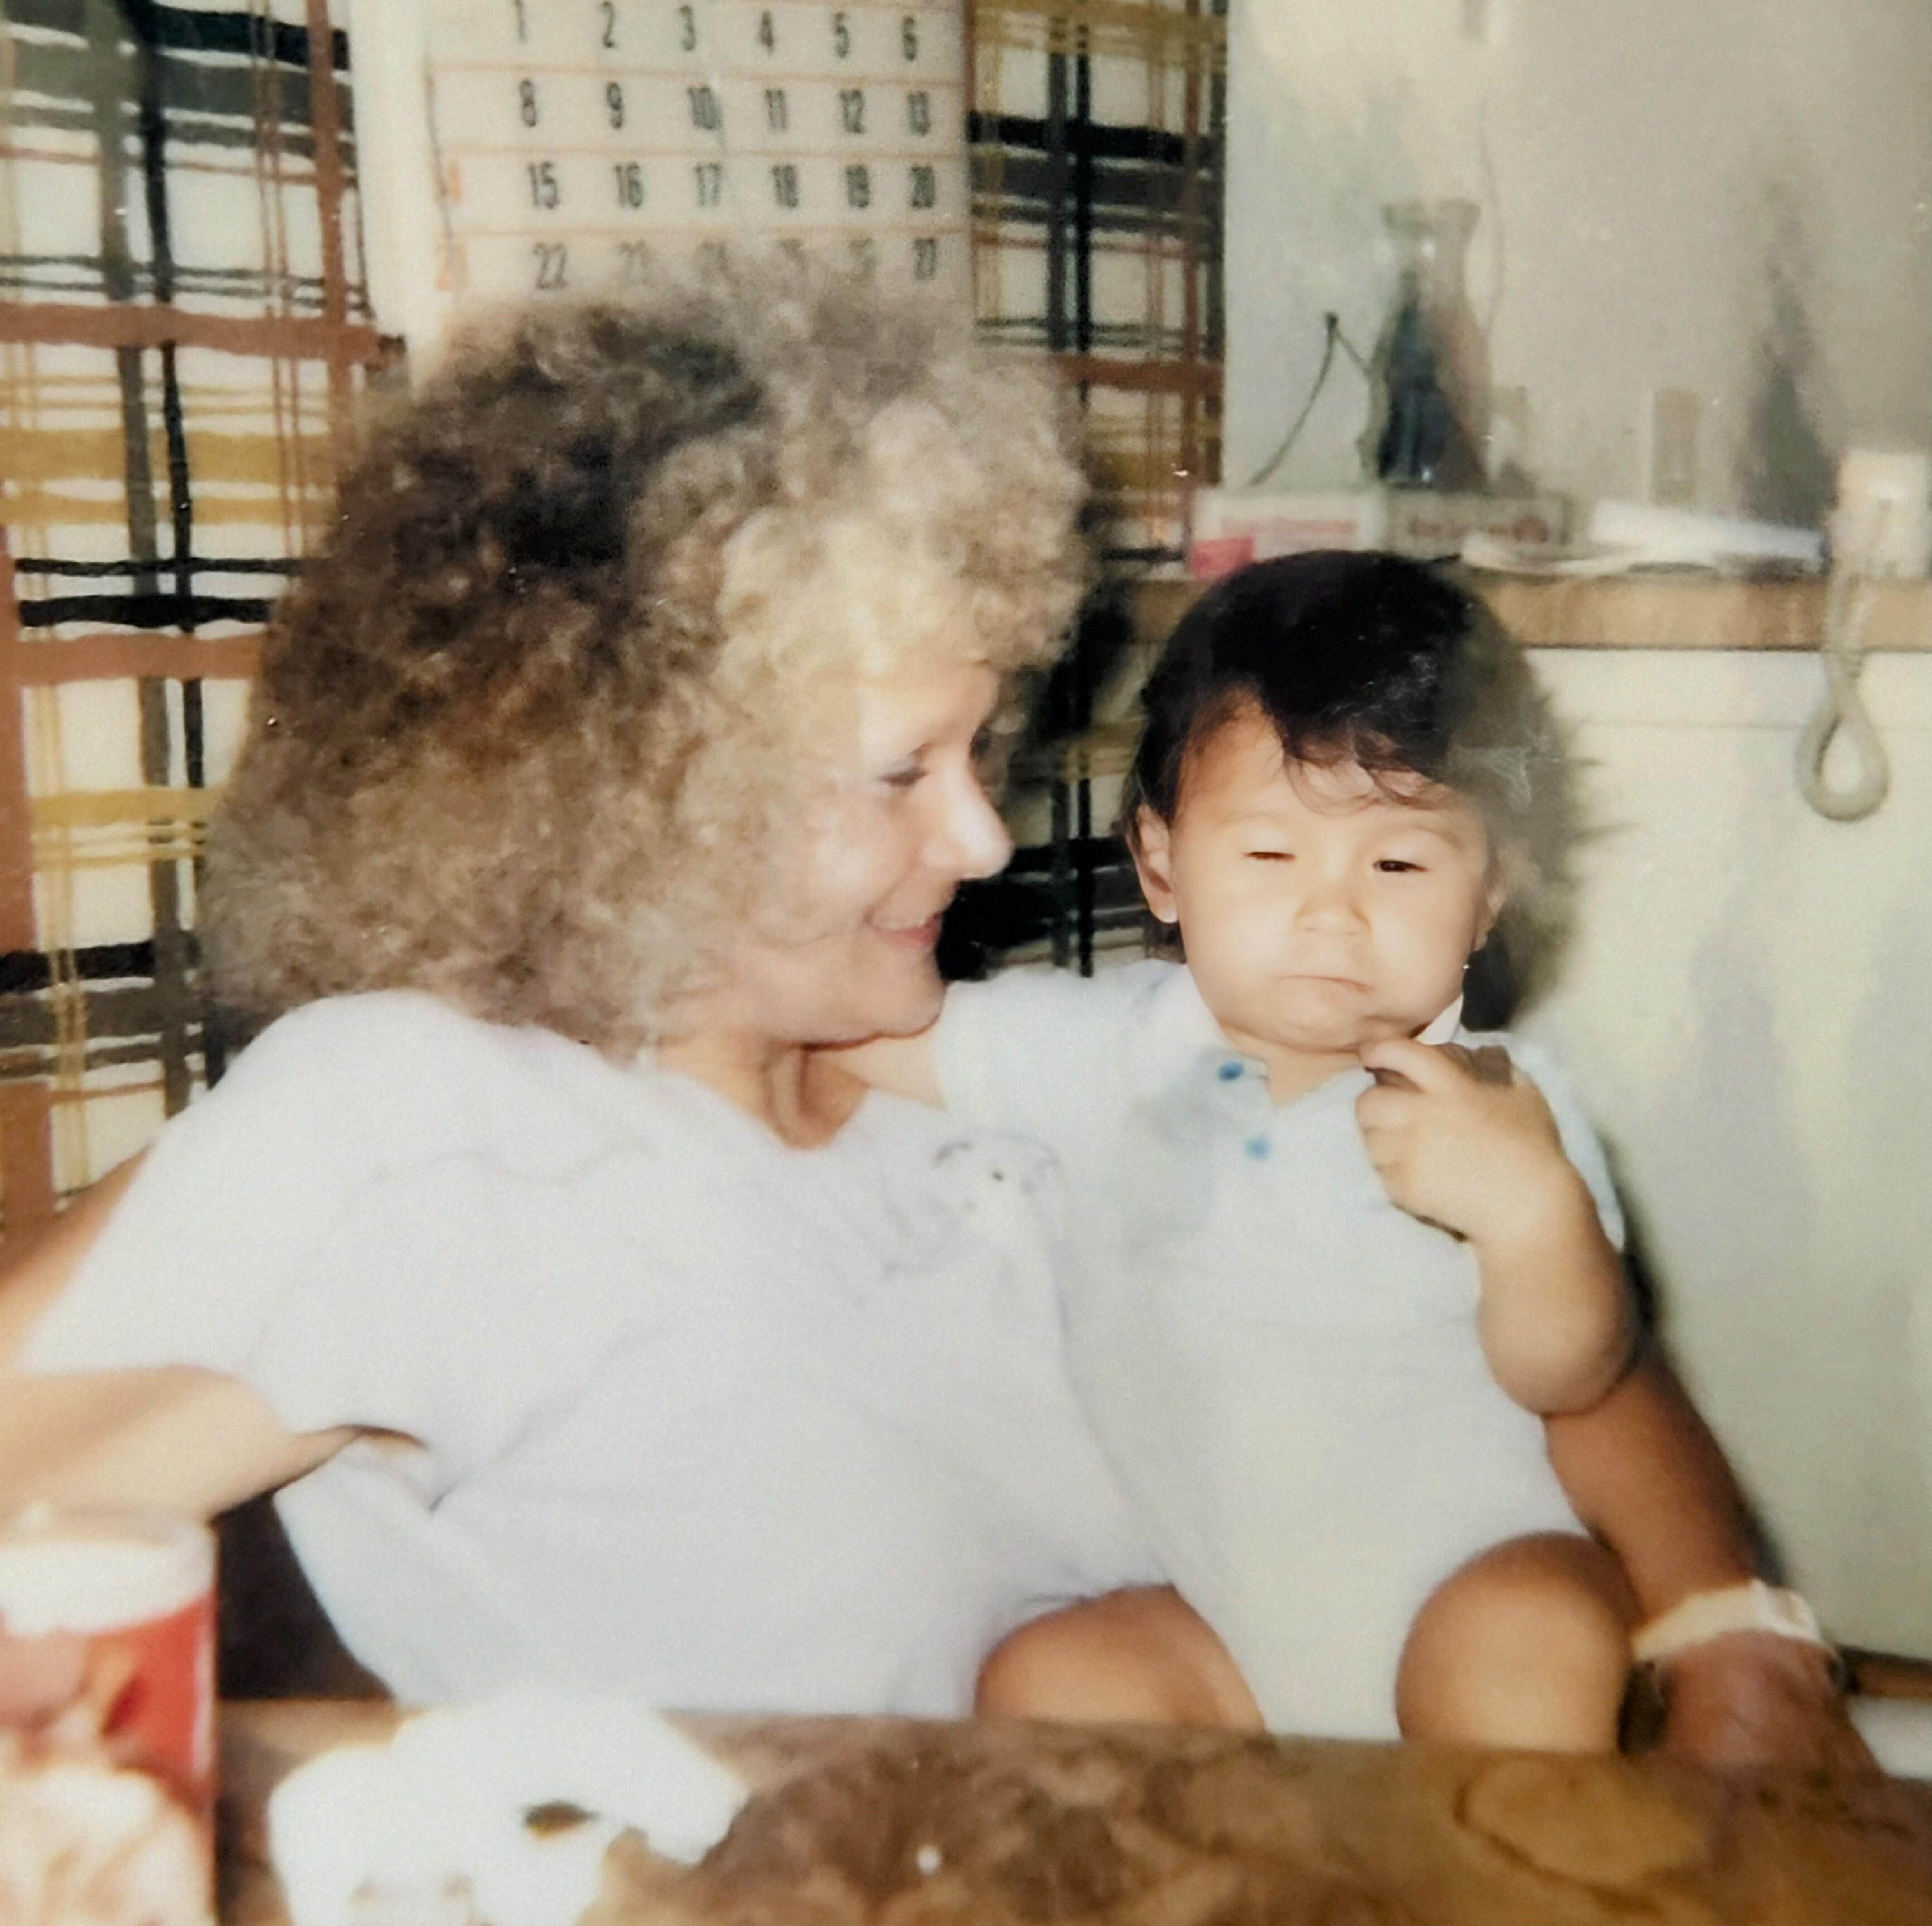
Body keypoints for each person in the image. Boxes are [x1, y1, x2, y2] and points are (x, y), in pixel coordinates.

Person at [0, 274, 1250, 1722]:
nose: (985, 838)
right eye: (902, 769)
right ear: (637, 790)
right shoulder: (430, 1132)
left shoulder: (988, 1102)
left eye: (983, 748)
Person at [846, 551, 1864, 1761]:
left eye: (1397, 864)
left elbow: (1573, 1372)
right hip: (1226, 1629)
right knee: (1051, 1680)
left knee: (1524, 1648)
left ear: (1489, 895)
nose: (1332, 914)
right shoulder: (1089, 1050)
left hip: (1471, 1581)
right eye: (1271, 858)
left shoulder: (1498, 1102)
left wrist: (1534, 1217)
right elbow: (861, 1038)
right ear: (1162, 865)